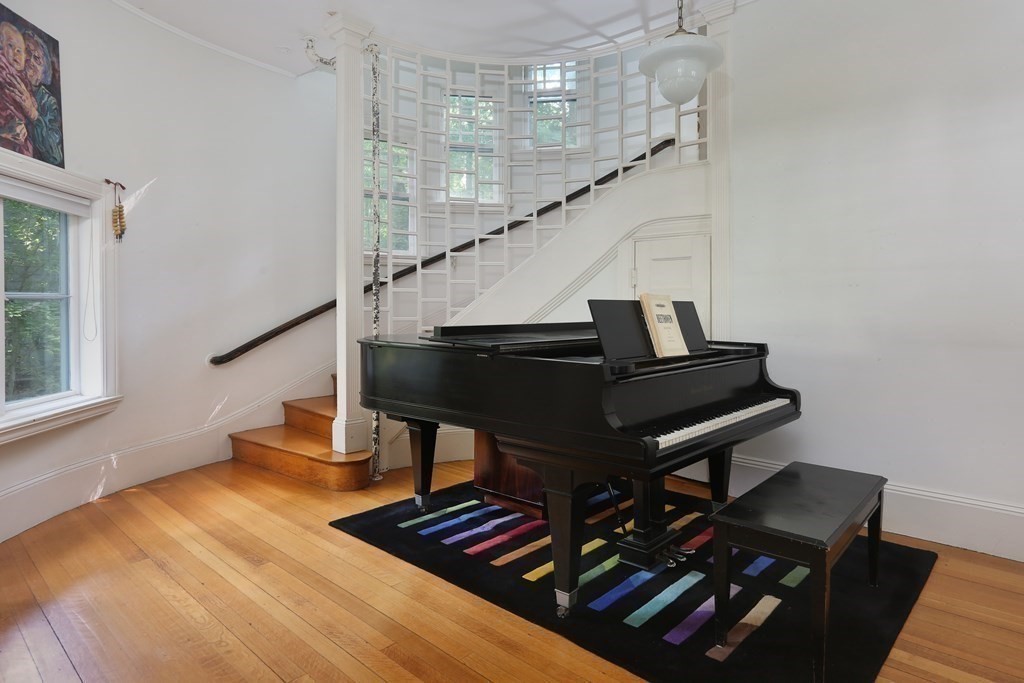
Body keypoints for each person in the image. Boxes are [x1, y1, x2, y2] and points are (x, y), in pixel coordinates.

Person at [19, 31, 62, 166]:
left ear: (44, 71)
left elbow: (56, 155)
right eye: (27, 51)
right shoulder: (8, 79)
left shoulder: (48, 101)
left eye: (37, 58)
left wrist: (33, 114)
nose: (30, 61)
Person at [0, 21, 31, 156]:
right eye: (10, 45)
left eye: (19, 50)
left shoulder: (24, 80)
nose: (14, 53)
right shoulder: (3, 66)